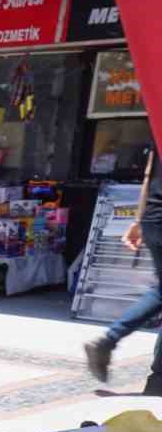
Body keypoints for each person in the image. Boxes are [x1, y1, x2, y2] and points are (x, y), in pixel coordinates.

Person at [85, 152, 162, 396]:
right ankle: (110, 340)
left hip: (154, 218)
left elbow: (149, 175)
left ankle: (157, 383)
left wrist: (138, 221)